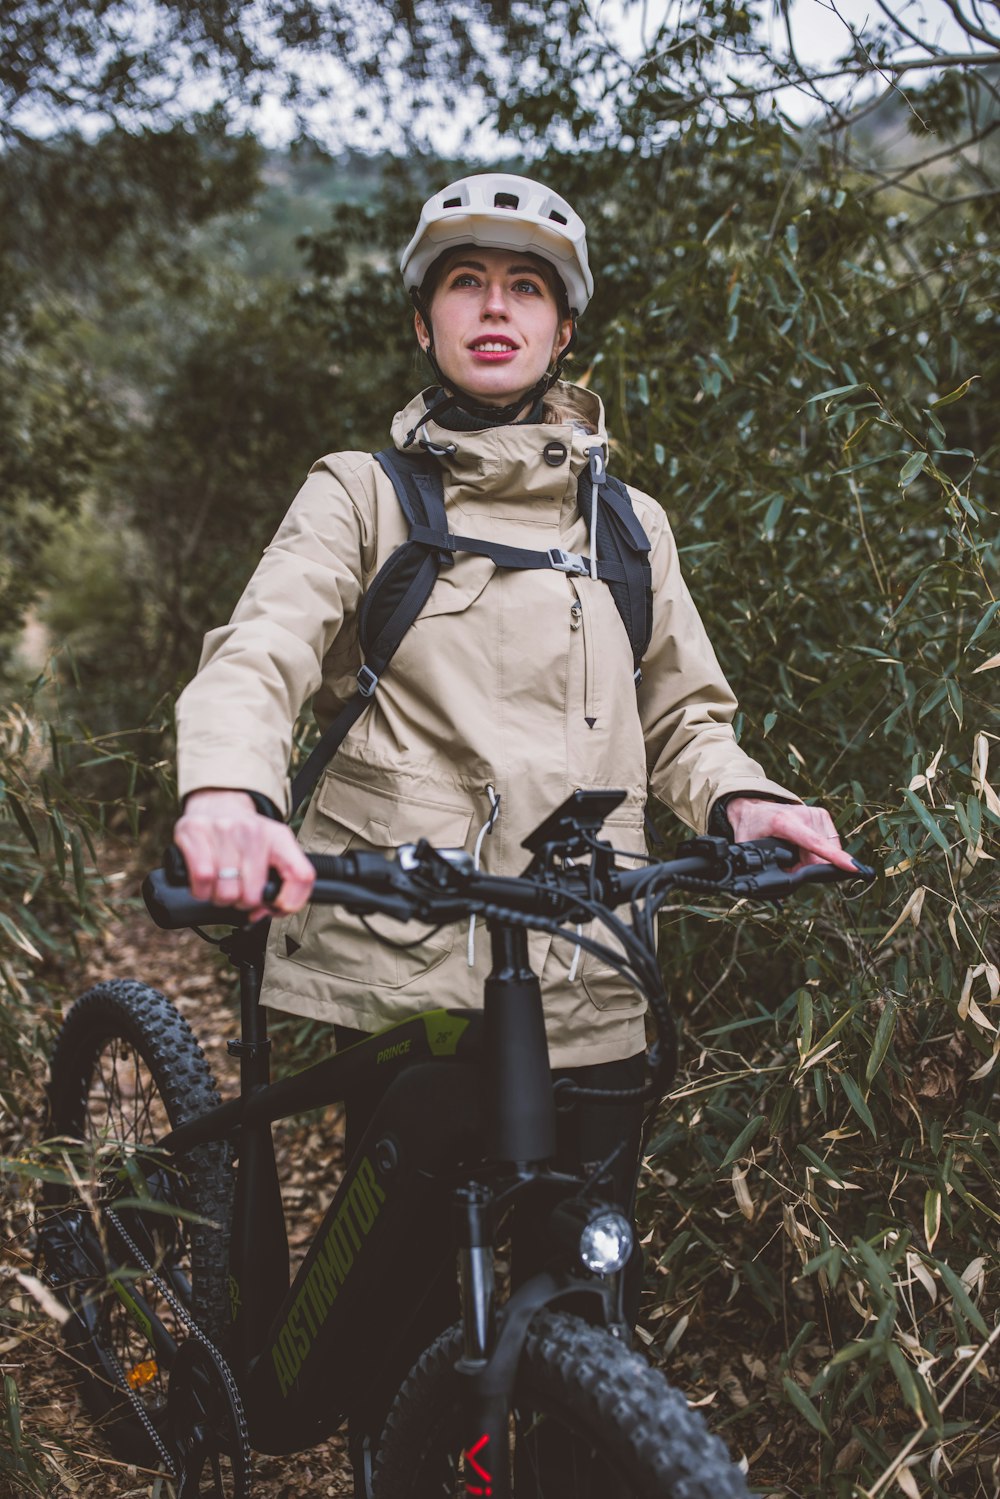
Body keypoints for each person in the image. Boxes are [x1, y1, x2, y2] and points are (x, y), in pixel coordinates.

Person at [173, 171, 855, 1322]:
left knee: (584, 1291)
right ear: (426, 317)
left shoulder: (631, 526)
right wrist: (231, 789)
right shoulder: (363, 494)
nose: (496, 307)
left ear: (562, 324)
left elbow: (686, 715)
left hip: (590, 953)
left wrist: (745, 801)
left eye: (526, 286)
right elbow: (261, 652)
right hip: (409, 948)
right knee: (392, 1309)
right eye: (467, 282)